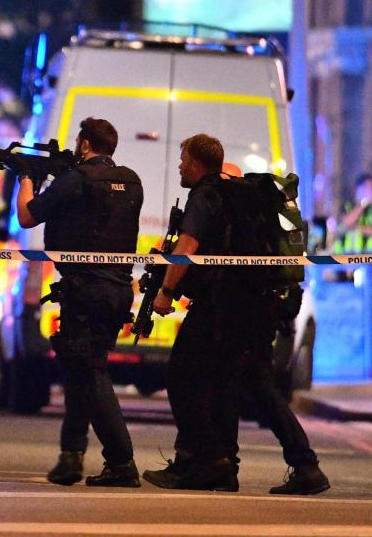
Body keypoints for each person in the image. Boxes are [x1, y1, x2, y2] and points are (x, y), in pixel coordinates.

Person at [12, 117, 143, 487]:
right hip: (117, 289)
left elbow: (27, 216)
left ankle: (121, 461)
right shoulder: (131, 181)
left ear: (85, 144)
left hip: (85, 289)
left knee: (90, 373)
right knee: (79, 372)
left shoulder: (77, 180)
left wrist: (26, 180)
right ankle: (71, 456)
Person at [219, 163, 331, 494]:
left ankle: (304, 463)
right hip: (266, 306)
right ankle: (228, 464)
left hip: (248, 309)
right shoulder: (269, 209)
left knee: (257, 386)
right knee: (244, 382)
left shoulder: (239, 207)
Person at [143, 134, 242, 491]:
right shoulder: (228, 194)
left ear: (197, 164)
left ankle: (208, 459)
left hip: (213, 304)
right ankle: (217, 466)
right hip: (233, 304)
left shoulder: (203, 196)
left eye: (183, 159)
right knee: (213, 385)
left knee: (181, 378)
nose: (181, 165)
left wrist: (166, 292)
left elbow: (187, 247)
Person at [333, 172, 372, 254]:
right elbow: (345, 223)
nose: (369, 191)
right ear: (357, 188)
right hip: (345, 257)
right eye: (366, 187)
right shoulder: (347, 206)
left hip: (368, 258)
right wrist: (363, 204)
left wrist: (357, 227)